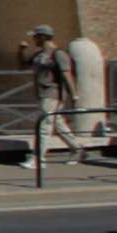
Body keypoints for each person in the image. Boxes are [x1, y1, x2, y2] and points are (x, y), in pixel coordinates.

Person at [18, 25, 81, 168]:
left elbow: (66, 74)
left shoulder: (58, 53)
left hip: (52, 94)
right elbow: (22, 66)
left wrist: (74, 95)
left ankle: (38, 159)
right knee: (58, 125)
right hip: (43, 93)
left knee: (44, 126)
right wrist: (20, 51)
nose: (33, 39)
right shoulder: (39, 54)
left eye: (35, 36)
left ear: (42, 37)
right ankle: (78, 149)